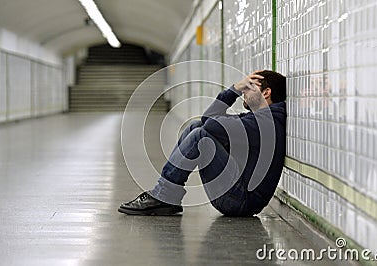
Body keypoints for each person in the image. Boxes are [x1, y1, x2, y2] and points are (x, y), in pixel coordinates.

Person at [118, 70, 287, 216]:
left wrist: (233, 91)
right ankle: (166, 195)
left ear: (266, 93)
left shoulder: (264, 123)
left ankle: (164, 195)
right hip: (240, 195)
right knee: (196, 126)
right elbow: (207, 121)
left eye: (249, 88)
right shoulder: (262, 119)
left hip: (241, 201)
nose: (244, 92)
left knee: (201, 136)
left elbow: (210, 121)